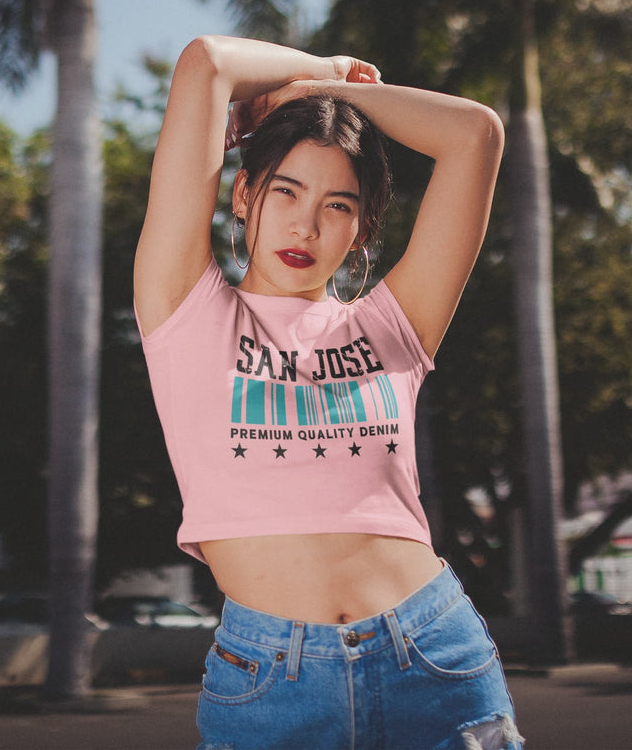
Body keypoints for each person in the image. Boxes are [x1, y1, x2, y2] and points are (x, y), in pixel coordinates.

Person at [134, 36, 522, 750]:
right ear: (245, 195)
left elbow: (475, 135)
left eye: (338, 205)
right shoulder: (187, 313)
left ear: (361, 228)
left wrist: (337, 100)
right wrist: (326, 72)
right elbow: (204, 64)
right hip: (271, 686)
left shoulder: (394, 325)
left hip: (433, 656)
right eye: (285, 190)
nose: (306, 224)